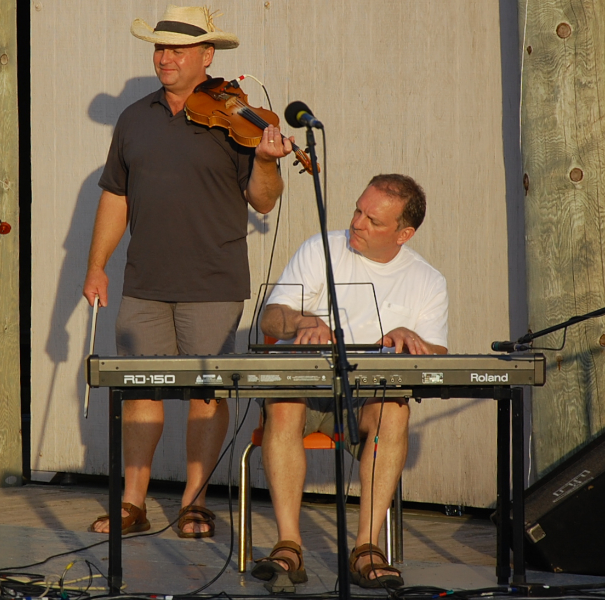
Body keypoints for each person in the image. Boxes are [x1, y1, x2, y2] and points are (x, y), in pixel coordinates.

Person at [82, 5, 293, 537]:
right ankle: (134, 502)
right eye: (160, 47)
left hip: (212, 282)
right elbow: (115, 198)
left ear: (207, 56)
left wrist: (266, 160)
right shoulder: (134, 118)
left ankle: (195, 501)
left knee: (205, 393)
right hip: (145, 282)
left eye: (178, 49)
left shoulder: (240, 120)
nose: (165, 57)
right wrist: (96, 266)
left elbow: (264, 202)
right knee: (140, 389)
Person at [255, 174, 448, 589]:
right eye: (358, 210)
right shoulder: (320, 248)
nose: (357, 223)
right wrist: (304, 320)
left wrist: (412, 341)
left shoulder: (427, 280)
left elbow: (439, 356)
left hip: (364, 401)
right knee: (283, 403)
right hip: (306, 392)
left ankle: (366, 548)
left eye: (373, 220)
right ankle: (289, 545)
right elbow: (270, 317)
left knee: (394, 411)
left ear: (404, 233)